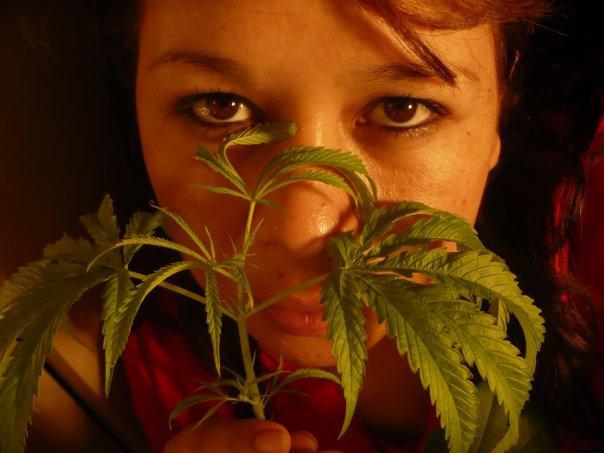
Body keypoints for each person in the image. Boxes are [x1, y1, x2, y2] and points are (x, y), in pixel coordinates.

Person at [7, 0, 603, 452]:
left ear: (505, 105)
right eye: (220, 106)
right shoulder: (165, 369)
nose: (302, 228)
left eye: (402, 108)